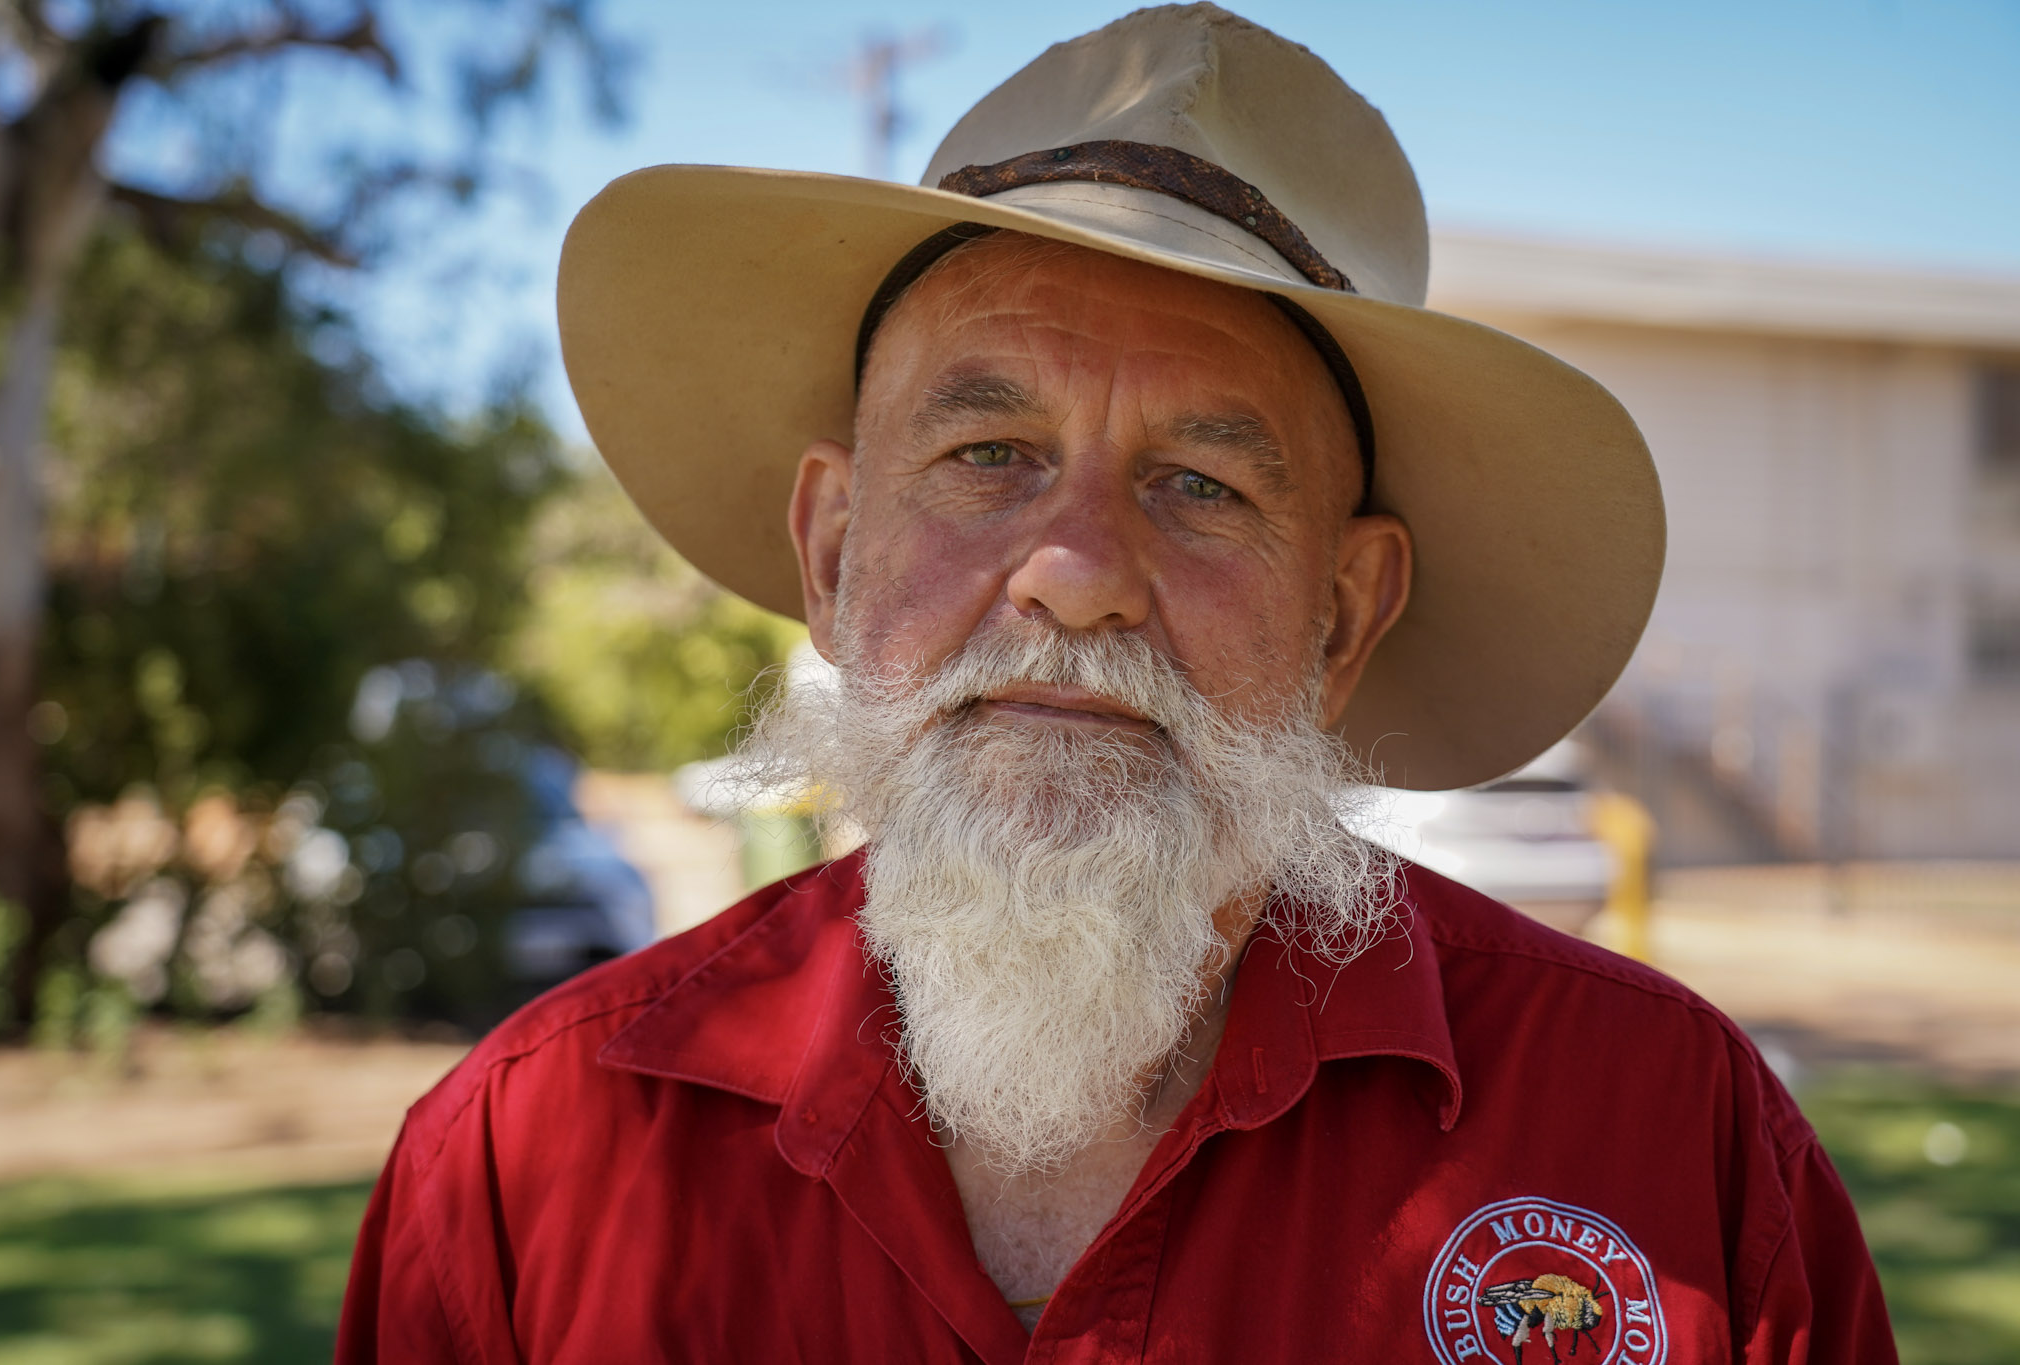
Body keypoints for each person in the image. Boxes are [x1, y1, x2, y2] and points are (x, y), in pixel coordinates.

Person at [337, 6, 1896, 1361]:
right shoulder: (517, 1167)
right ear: (829, 554)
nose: (1074, 568)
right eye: (987, 456)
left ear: (1344, 614)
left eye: (1205, 483)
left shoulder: (1674, 1145)